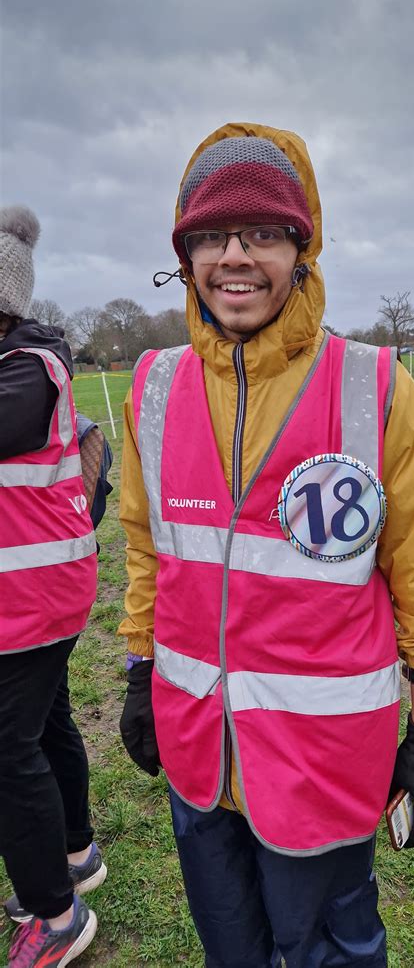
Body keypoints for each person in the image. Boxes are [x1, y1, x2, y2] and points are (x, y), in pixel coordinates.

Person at [118, 124, 414, 968]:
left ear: (302, 247)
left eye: (262, 234)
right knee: (231, 953)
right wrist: (139, 671)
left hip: (324, 763)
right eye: (210, 235)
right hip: (199, 751)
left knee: (329, 955)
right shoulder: (153, 387)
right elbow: (144, 551)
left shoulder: (377, 386)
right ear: (185, 251)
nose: (234, 257)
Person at [0, 206, 105, 967]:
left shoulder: (26, 368)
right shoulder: (25, 359)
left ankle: (56, 913)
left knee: (8, 748)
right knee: (49, 724)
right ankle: (74, 852)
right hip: (40, 586)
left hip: (28, 596)